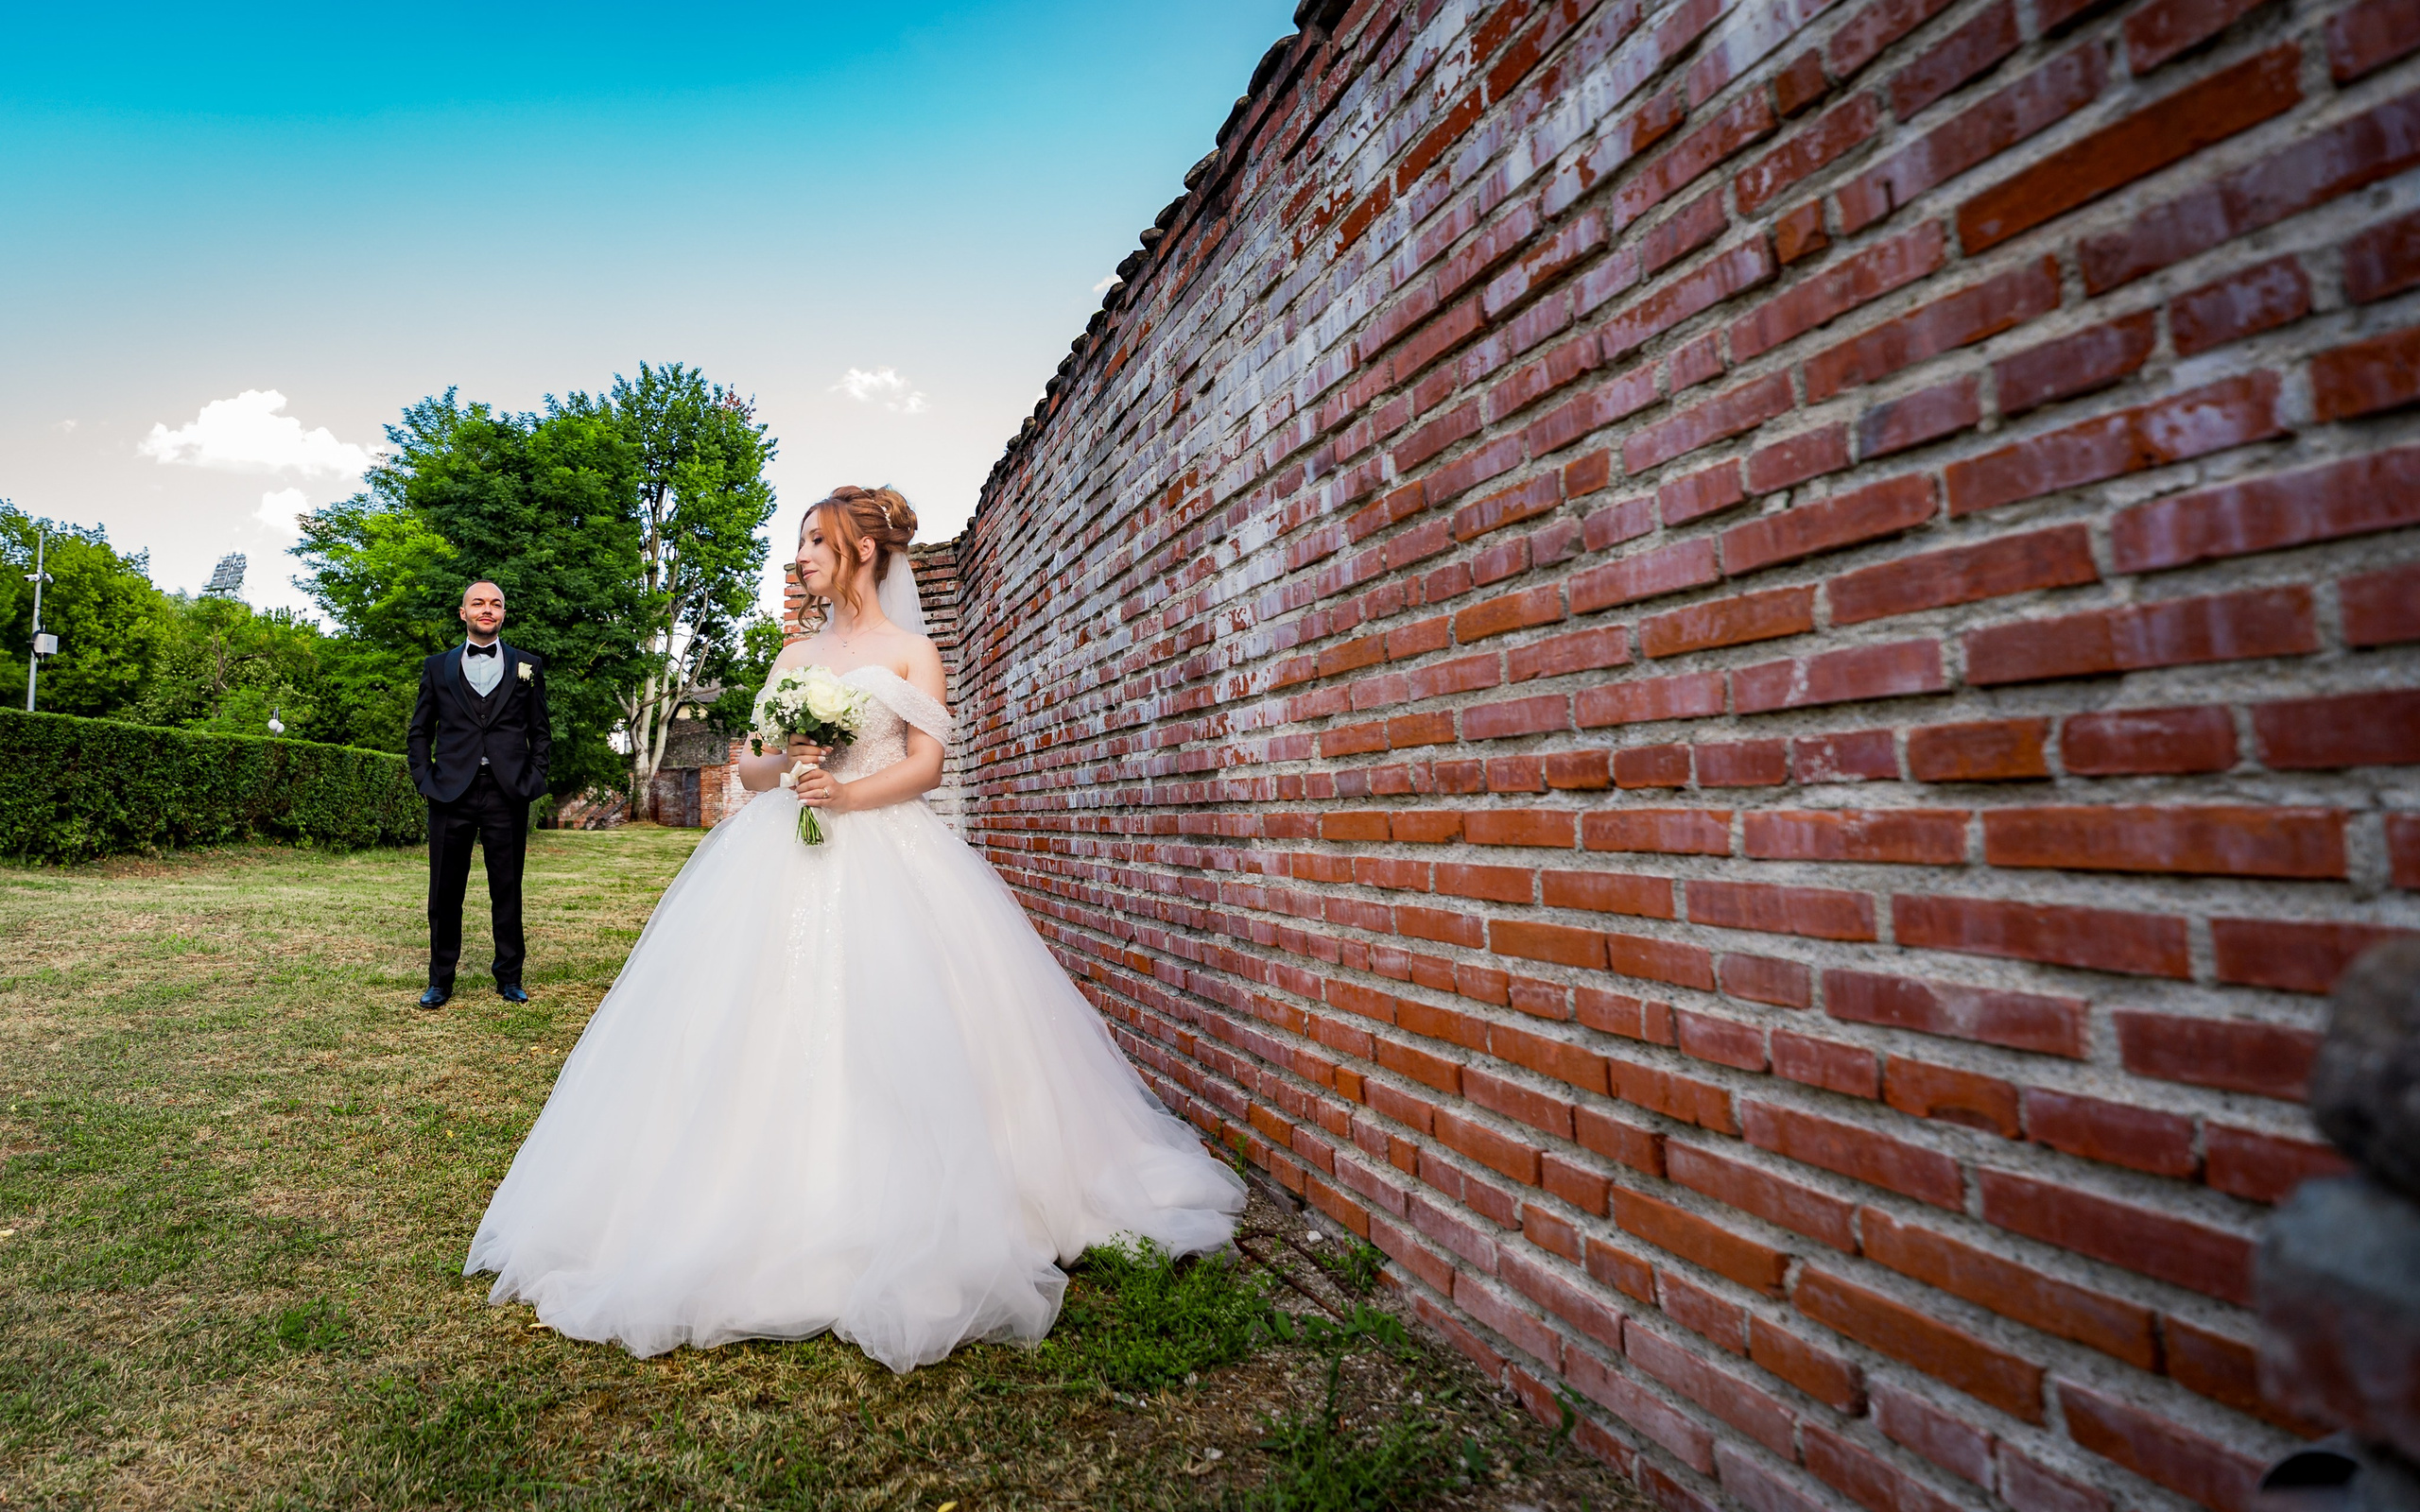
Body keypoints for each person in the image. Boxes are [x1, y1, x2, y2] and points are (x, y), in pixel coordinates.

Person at [464, 486, 1244, 1372]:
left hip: (883, 848)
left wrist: (845, 792)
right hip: (774, 856)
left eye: (815, 541)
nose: (800, 556)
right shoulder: (793, 652)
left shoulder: (914, 652)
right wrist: (783, 764)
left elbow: (927, 765)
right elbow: (751, 765)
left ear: (862, 552)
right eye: (799, 543)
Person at [406, 579, 550, 1009]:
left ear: (503, 614)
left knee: (507, 888)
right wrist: (425, 779)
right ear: (463, 613)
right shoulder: (437, 667)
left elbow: (540, 732)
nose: (487, 609)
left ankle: (509, 976)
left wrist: (533, 778)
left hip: (507, 792)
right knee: (444, 890)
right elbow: (419, 731)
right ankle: (440, 980)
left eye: (496, 604)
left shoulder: (528, 665)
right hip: (450, 792)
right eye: (478, 603)